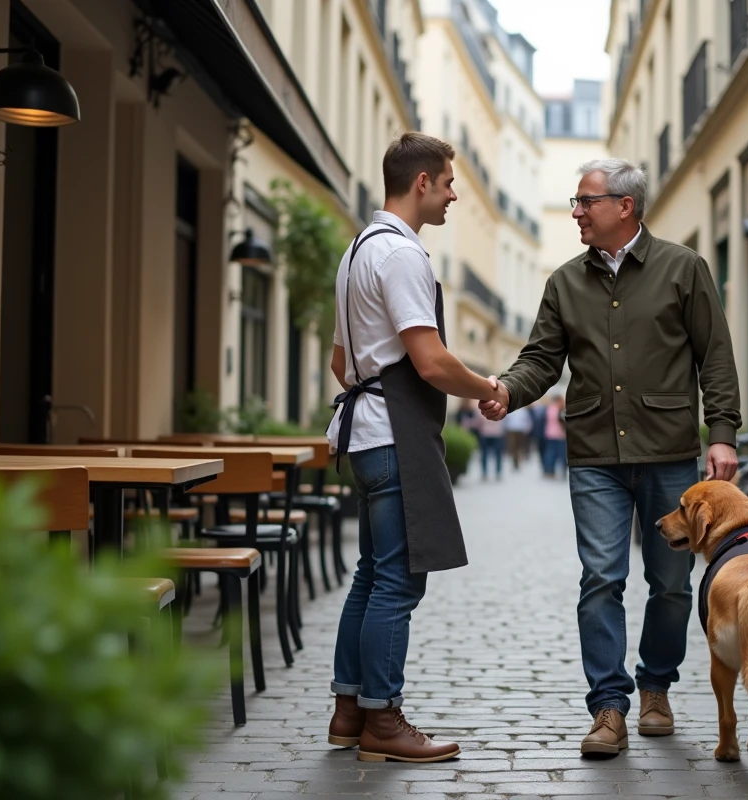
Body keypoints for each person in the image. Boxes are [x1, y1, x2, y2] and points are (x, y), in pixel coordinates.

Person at [479, 158, 741, 756]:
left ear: (624, 206)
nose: (576, 211)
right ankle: (608, 706)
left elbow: (715, 355)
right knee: (601, 577)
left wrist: (722, 432)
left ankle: (656, 688)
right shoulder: (564, 283)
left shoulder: (683, 267)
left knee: (670, 582)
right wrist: (508, 392)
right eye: (575, 201)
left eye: (585, 201)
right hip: (595, 453)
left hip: (669, 452)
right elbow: (541, 359)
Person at [325, 132, 509, 763]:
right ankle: (382, 719)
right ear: (422, 182)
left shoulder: (356, 251)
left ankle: (349, 711)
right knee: (399, 584)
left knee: (371, 576)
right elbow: (430, 361)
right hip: (394, 436)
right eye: (449, 183)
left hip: (365, 436)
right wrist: (487, 388)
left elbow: (340, 363)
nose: (455, 195)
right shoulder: (402, 254)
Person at [541, 395, 567, 478]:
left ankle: (549, 470)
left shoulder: (549, 409)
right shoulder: (559, 410)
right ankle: (556, 470)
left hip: (550, 434)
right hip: (559, 435)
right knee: (559, 454)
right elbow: (562, 420)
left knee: (550, 453)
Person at [475, 411, 506, 480]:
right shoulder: (499, 408)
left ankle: (485, 473)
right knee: (497, 454)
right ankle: (497, 472)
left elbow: (478, 423)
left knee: (485, 454)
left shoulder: (482, 409)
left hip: (486, 433)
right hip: (496, 433)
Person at [503, 406, 533, 470]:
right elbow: (506, 420)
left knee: (520, 447)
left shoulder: (523, 410)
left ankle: (519, 460)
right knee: (513, 446)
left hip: (520, 430)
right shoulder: (510, 409)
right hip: (512, 430)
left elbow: (527, 420)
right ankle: (515, 461)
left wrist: (527, 429)